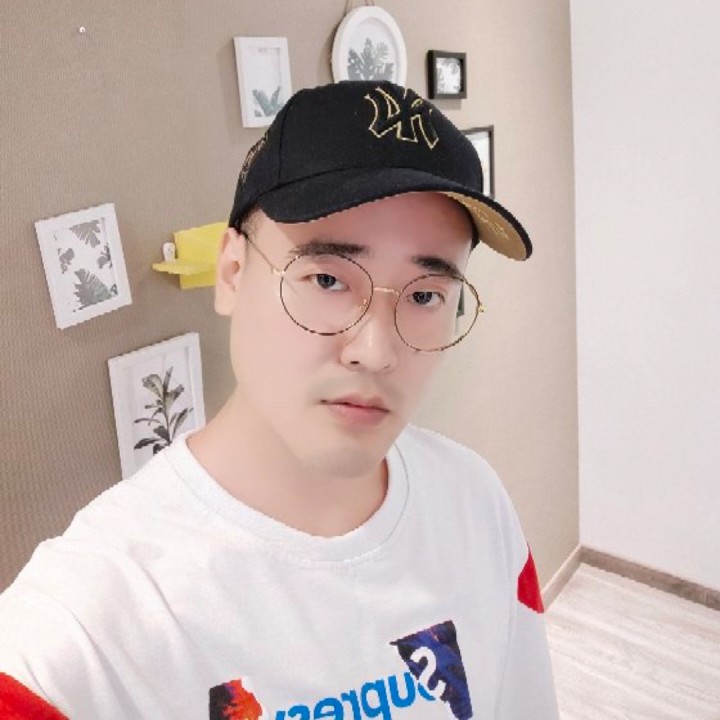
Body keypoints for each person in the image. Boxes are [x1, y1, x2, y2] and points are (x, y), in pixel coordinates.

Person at [0, 80, 559, 719]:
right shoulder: (88, 628)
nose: (376, 350)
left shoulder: (475, 503)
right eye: (326, 279)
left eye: (426, 295)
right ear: (232, 273)